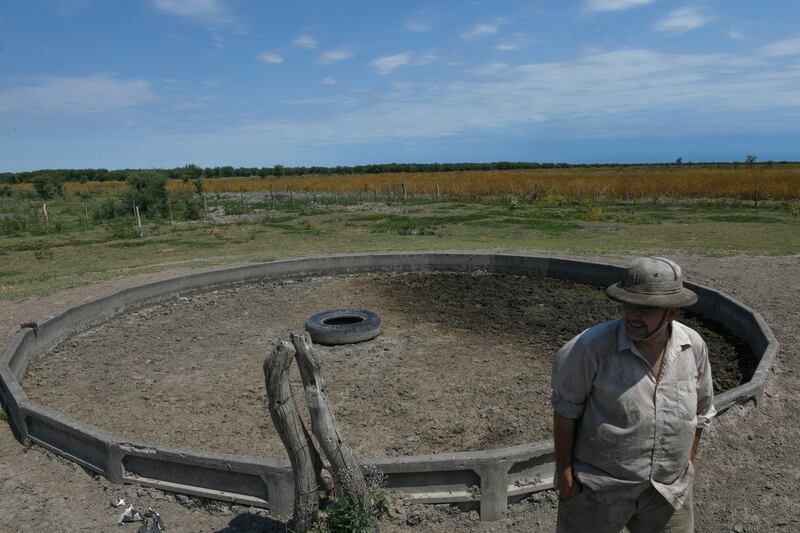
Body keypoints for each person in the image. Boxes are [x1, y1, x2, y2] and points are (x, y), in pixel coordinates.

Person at [551, 257, 716, 533]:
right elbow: (565, 411)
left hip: (668, 493)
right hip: (599, 490)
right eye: (628, 305)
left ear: (673, 312)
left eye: (646, 309)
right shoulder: (590, 349)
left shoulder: (693, 347)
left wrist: (686, 465)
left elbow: (701, 413)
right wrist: (567, 480)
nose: (632, 316)